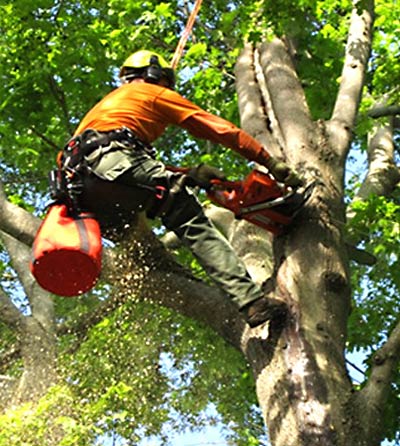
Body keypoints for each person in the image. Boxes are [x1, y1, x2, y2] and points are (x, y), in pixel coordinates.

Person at [58, 50, 303, 328]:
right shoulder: (152, 92)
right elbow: (217, 129)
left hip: (82, 191)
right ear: (154, 76)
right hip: (114, 163)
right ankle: (251, 302)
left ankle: (169, 274)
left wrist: (193, 175)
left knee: (151, 234)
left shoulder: (107, 109)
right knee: (186, 215)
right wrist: (267, 160)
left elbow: (133, 172)